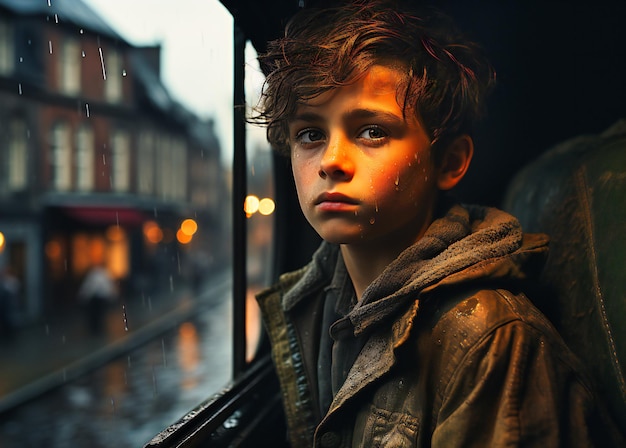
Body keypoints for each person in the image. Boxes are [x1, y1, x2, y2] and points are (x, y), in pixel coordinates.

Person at [252, 1, 624, 446]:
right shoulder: (320, 304)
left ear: (449, 162)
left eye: (372, 131)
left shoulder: (490, 341)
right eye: (310, 134)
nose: (331, 161)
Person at [78, 263, 117, 335]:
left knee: (96, 315)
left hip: (96, 299)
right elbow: (107, 286)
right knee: (98, 315)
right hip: (99, 298)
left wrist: (83, 297)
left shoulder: (96, 274)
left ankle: (96, 328)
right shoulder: (102, 274)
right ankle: (97, 328)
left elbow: (89, 287)